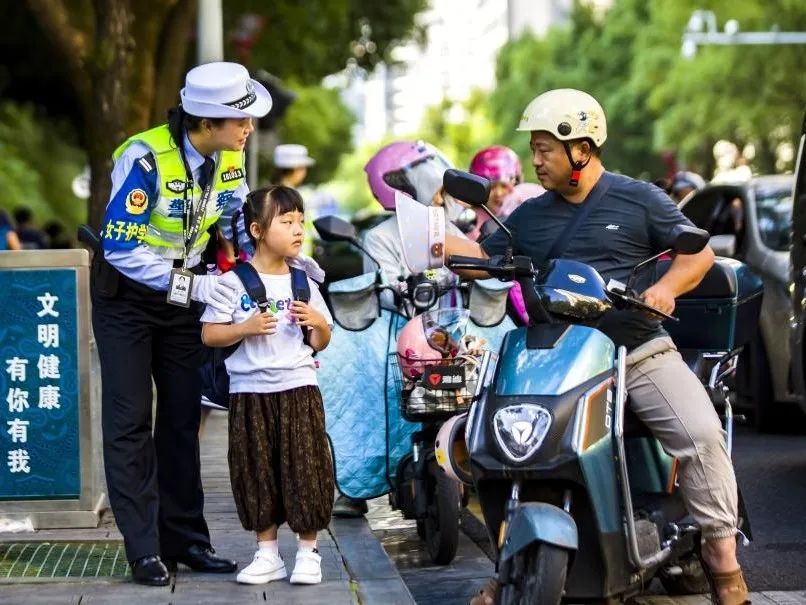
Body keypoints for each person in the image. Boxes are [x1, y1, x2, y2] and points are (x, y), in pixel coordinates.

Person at [445, 89, 747, 605]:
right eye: (534, 149)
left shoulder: (639, 198)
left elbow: (697, 254)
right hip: (556, 355)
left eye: (545, 149)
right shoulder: (530, 216)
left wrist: (666, 288)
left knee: (700, 435)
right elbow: (480, 260)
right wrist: (434, 239)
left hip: (636, 352)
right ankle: (511, 566)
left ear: (581, 149)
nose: (535, 160)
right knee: (508, 445)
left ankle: (724, 566)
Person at [91, 61, 273, 586]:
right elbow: (121, 248)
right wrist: (191, 286)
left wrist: (272, 256)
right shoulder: (144, 158)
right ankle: (145, 550)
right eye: (240, 121)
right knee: (129, 421)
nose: (248, 129)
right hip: (126, 298)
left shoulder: (228, 157)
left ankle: (188, 541)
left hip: (182, 297)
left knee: (181, 417)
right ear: (209, 120)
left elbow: (236, 219)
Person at [200, 185, 334, 586]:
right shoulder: (232, 281)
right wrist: (244, 328)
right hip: (249, 391)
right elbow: (209, 334)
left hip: (299, 387)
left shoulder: (304, 282)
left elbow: (322, 340)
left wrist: (319, 323)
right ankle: (267, 553)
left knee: (306, 467)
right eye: (286, 221)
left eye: (300, 221)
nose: (297, 229)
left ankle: (309, 553)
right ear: (257, 229)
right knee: (255, 468)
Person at [467, 145, 522, 238]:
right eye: (491, 187)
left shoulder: (524, 215)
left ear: (516, 184)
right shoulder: (469, 221)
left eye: (504, 186)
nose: (498, 193)